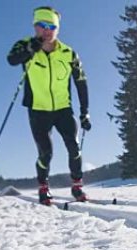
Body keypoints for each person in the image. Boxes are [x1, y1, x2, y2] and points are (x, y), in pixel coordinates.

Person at [7, 6, 91, 205]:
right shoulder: (24, 45)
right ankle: (43, 188)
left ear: (57, 28)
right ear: (35, 26)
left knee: (74, 147)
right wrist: (30, 49)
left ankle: (77, 186)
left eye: (51, 26)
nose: (46, 30)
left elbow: (81, 82)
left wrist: (84, 112)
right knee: (46, 152)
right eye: (42, 25)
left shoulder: (69, 53)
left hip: (63, 109)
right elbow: (12, 59)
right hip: (38, 110)